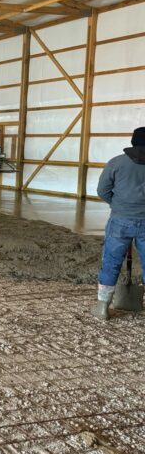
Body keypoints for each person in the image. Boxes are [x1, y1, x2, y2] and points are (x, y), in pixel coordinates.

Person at [92, 127, 145, 320]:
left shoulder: (116, 162)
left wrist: (118, 205)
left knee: (111, 262)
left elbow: (102, 190)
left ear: (132, 141)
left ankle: (103, 307)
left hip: (120, 221)